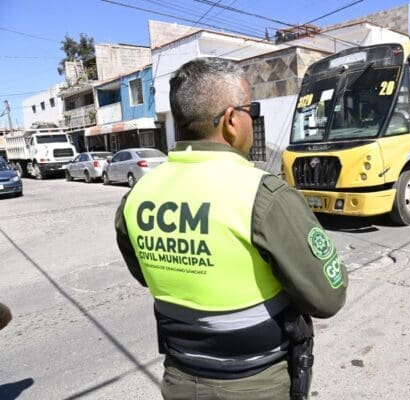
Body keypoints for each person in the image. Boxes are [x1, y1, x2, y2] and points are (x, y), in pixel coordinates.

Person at [115, 57, 348, 400]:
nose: (253, 119)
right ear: (231, 120)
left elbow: (145, 274)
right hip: (255, 386)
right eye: (251, 110)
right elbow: (328, 297)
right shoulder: (263, 195)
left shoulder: (137, 196)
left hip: (179, 381)